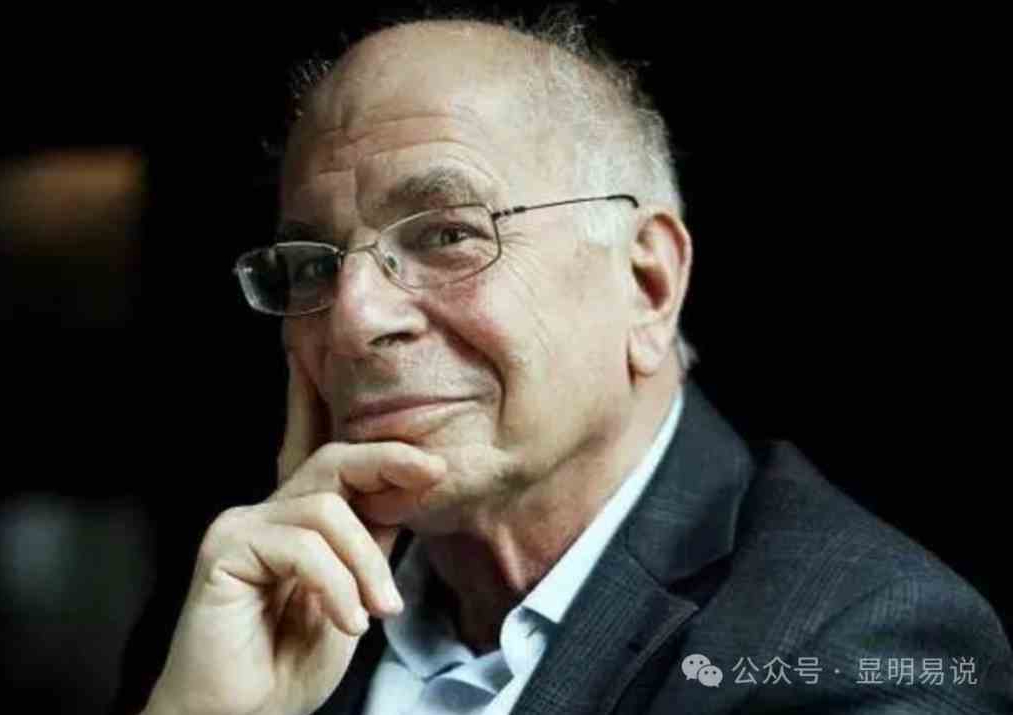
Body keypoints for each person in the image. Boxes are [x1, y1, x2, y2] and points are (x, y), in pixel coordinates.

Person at [126, 13, 1012, 715]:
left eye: (446, 234)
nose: (354, 320)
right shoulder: (239, 608)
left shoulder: (854, 634)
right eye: (313, 265)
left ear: (647, 283)